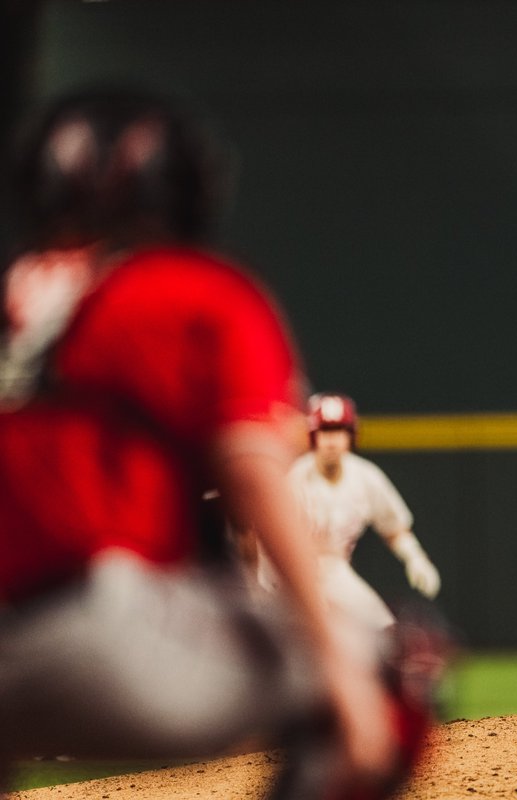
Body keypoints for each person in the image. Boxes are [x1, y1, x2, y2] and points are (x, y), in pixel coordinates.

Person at [0, 88, 436, 797]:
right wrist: (340, 673)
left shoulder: (13, 290)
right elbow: (251, 467)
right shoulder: (197, 290)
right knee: (400, 662)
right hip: (106, 634)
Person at [255, 392, 442, 632]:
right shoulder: (296, 478)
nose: (332, 441)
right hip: (293, 572)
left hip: (335, 570)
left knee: (384, 631)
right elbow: (272, 539)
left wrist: (415, 557)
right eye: (324, 431)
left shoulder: (365, 476)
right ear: (313, 437)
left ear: (351, 436)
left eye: (339, 431)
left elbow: (394, 527)